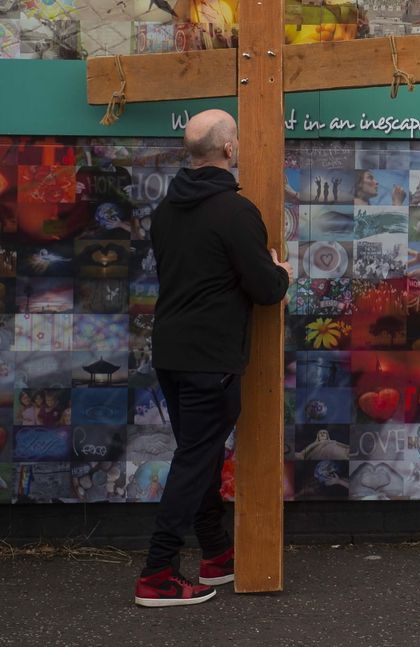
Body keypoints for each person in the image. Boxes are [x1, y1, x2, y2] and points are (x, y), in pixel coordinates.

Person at [135, 110, 292, 608]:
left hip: (171, 351)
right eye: (238, 139)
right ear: (229, 149)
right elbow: (266, 292)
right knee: (195, 459)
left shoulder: (165, 210)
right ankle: (157, 573)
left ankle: (217, 555)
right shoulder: (235, 211)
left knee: (195, 456)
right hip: (212, 358)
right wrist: (281, 271)